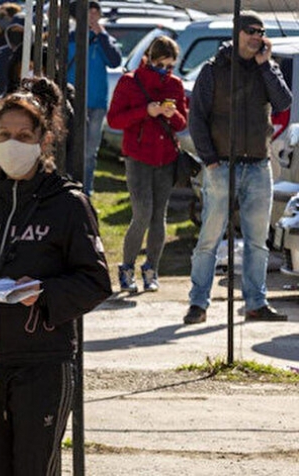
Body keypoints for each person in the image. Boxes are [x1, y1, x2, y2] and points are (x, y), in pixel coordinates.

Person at [0, 78, 112, 476]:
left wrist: (45, 293)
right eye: (4, 134)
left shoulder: (68, 204)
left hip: (42, 366)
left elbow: (96, 282)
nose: (12, 143)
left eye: (23, 135)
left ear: (43, 139)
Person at [183, 11, 293, 324]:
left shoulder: (266, 68)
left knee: (258, 241)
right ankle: (198, 303)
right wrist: (210, 160)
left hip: (258, 165)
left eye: (261, 31)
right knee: (210, 238)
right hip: (222, 165)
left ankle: (256, 303)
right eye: (250, 31)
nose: (257, 36)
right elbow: (197, 119)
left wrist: (265, 66)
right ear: (237, 33)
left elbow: (284, 102)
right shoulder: (214, 70)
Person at [107, 36, 187, 293]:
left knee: (158, 218)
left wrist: (169, 113)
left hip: (166, 158)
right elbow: (114, 120)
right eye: (161, 64)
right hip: (138, 157)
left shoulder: (174, 84)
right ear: (151, 59)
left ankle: (151, 268)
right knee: (142, 213)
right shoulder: (131, 82)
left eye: (170, 66)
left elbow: (182, 123)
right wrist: (145, 111)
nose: (165, 70)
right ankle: (127, 267)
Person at [66, 0, 122, 196]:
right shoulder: (68, 37)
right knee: (71, 149)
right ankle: (69, 187)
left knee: (90, 152)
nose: (91, 17)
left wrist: (101, 33)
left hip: (96, 102)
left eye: (95, 13)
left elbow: (115, 61)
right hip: (72, 101)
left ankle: (86, 192)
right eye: (87, 13)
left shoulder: (103, 39)